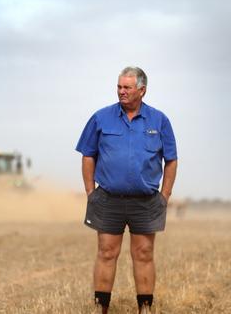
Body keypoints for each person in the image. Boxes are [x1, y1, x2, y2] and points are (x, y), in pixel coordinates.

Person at [75, 67, 178, 314]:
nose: (121, 91)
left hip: (146, 201)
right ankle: (101, 308)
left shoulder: (159, 120)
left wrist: (165, 195)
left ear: (142, 90)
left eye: (127, 88)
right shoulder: (101, 118)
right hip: (108, 199)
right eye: (119, 87)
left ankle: (145, 309)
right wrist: (91, 192)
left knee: (143, 253)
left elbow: (171, 160)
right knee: (107, 252)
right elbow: (88, 155)